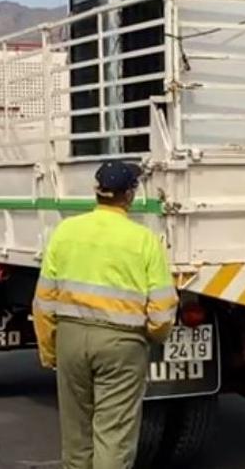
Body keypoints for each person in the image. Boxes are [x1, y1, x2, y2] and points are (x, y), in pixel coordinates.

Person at [33, 161, 178, 469]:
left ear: (96, 191)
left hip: (70, 340)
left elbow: (44, 301)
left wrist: (50, 351)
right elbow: (163, 307)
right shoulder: (143, 240)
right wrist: (155, 336)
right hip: (121, 344)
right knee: (113, 435)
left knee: (76, 438)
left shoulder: (66, 231)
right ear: (130, 194)